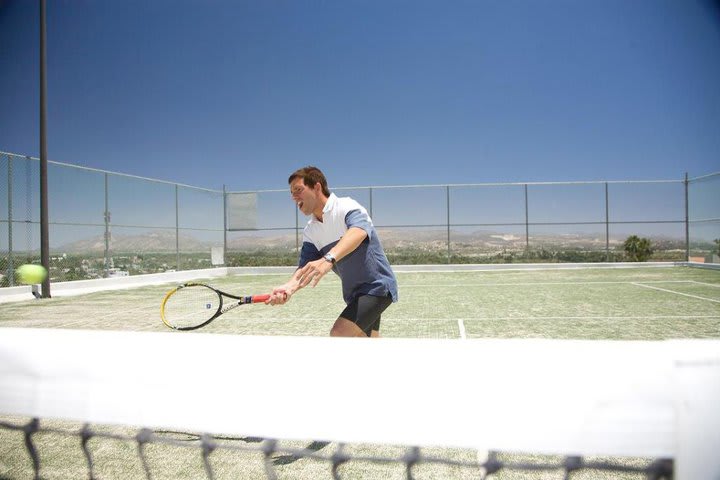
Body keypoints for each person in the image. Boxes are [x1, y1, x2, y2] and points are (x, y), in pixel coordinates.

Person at [266, 166, 398, 337]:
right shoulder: (311, 231)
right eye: (292, 193)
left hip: (377, 287)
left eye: (298, 190)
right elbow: (304, 268)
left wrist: (329, 258)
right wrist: (288, 288)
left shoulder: (345, 206)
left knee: (339, 333)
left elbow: (359, 231)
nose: (294, 197)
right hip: (354, 295)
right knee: (366, 341)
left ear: (317, 187)